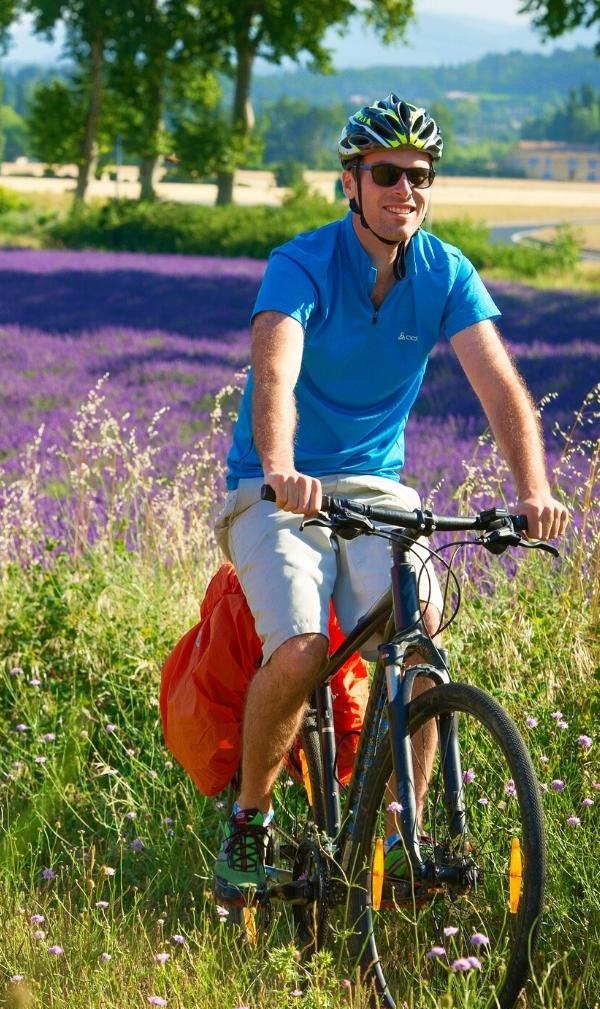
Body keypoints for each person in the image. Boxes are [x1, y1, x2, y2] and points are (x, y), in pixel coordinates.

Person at [210, 94, 569, 905]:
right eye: (388, 175)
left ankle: (405, 832)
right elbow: (276, 371)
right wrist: (278, 464)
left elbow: (501, 387)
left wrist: (534, 490)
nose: (406, 190)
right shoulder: (300, 263)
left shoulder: (445, 271)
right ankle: (250, 824)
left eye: (420, 176)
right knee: (300, 651)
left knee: (419, 634)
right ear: (351, 182)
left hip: (376, 486)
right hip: (273, 485)